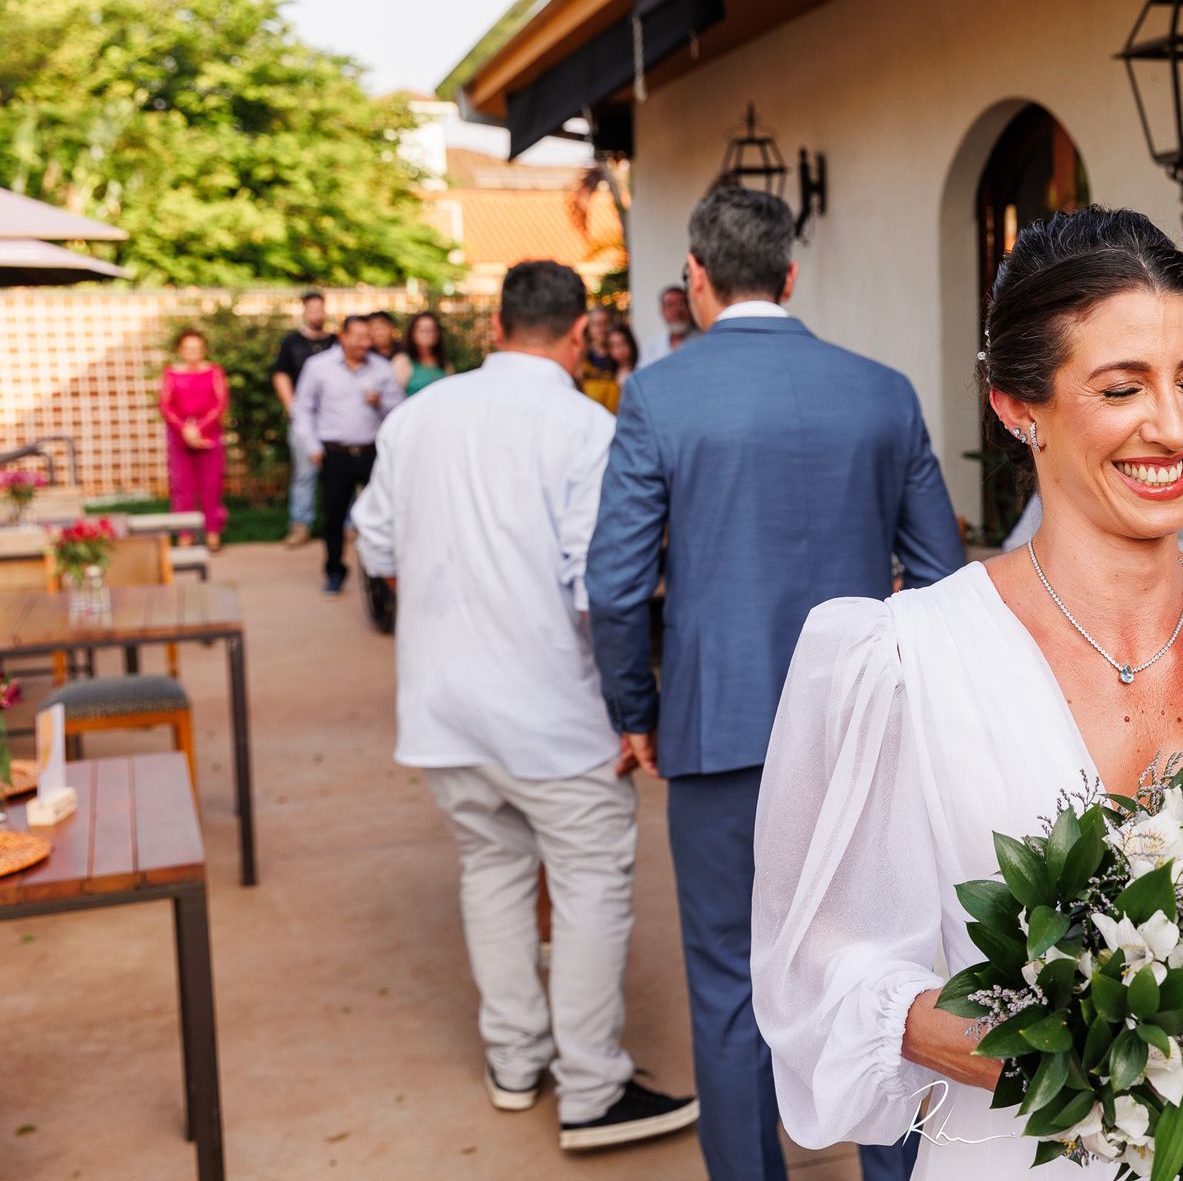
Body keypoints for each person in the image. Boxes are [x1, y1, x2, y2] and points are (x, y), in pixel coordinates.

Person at [750, 207, 1183, 1180]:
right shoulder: (904, 658)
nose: (1175, 423)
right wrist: (988, 1032)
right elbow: (812, 962)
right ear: (1019, 405)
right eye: (1121, 386)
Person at [587, 187, 963, 1181]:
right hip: (865, 735)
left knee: (726, 977)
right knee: (884, 965)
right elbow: (942, 575)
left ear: (696, 280)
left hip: (719, 728)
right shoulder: (882, 391)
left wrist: (637, 710)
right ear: (792, 276)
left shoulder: (660, 394)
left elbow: (615, 585)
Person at [352, 260, 697, 1153]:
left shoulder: (417, 415)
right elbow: (603, 589)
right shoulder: (586, 426)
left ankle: (514, 1062)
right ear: (580, 333)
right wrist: (634, 707)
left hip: (441, 708)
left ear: (495, 326)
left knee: (491, 872)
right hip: (551, 710)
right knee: (588, 889)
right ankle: (591, 1089)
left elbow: (377, 544)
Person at [291, 314, 403, 598]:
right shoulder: (319, 367)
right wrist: (312, 446)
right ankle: (334, 572)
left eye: (368, 337)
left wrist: (380, 403)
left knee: (384, 514)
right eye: (359, 336)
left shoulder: (382, 368)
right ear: (343, 337)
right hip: (335, 453)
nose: (366, 342)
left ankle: (382, 575)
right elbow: (303, 408)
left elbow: (398, 412)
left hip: (371, 453)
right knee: (334, 518)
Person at [272, 290, 335, 547]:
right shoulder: (292, 343)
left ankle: (348, 524)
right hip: (305, 418)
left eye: (319, 309)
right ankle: (301, 525)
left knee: (340, 472)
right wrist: (292, 406)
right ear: (305, 312)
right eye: (311, 309)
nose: (316, 314)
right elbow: (281, 374)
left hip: (333, 417)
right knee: (304, 473)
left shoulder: (336, 341)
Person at [158, 328, 229, 550]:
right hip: (180, 438)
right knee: (182, 486)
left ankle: (212, 533)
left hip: (208, 434)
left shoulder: (214, 372)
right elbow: (165, 405)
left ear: (203, 349)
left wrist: (199, 428)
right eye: (188, 348)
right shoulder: (171, 374)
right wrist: (185, 429)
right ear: (180, 350)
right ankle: (185, 534)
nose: (192, 353)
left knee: (211, 485)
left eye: (197, 348)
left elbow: (220, 403)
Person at [638, 284, 699, 367]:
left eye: (681, 304)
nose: (676, 310)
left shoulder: (703, 340)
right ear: (662, 311)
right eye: (669, 305)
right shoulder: (652, 347)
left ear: (690, 308)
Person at [394, 311, 453, 397]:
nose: (429, 334)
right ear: (412, 334)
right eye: (423, 330)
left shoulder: (444, 362)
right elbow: (395, 397)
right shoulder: (403, 361)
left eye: (433, 329)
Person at [579, 306, 622, 412]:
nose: (602, 329)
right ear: (589, 328)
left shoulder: (620, 356)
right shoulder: (581, 357)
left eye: (606, 323)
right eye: (597, 324)